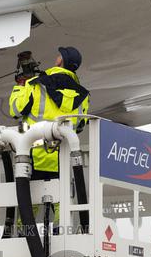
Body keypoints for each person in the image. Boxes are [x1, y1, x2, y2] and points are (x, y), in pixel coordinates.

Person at [8, 46, 90, 178]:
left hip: (31, 154)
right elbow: (80, 126)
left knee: (29, 197)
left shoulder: (37, 85)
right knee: (59, 196)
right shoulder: (83, 95)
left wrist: (20, 87)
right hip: (61, 157)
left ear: (60, 61)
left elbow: (16, 110)